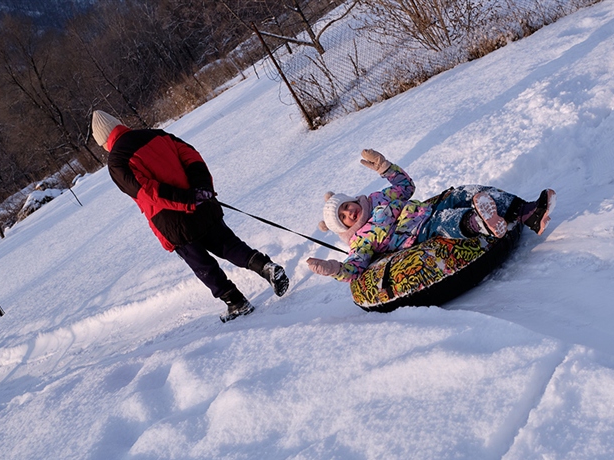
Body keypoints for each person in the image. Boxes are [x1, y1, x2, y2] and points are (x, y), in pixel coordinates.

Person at [91, 110, 289, 322]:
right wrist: (201, 189)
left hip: (174, 221)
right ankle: (266, 268)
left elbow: (147, 192)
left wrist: (186, 200)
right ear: (119, 124)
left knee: (203, 265)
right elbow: (191, 156)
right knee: (227, 244)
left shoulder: (116, 162)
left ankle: (236, 302)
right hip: (202, 204)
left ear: (104, 140)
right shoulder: (155, 134)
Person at [306, 149, 555, 281]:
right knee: (448, 222)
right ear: (344, 227)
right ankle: (481, 223)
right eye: (344, 216)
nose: (350, 211)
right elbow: (355, 265)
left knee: (463, 192)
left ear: (352, 199)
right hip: (419, 232)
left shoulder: (377, 198)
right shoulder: (361, 240)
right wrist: (335, 269)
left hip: (427, 208)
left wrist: (385, 168)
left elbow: (406, 188)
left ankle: (528, 212)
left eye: (347, 205)